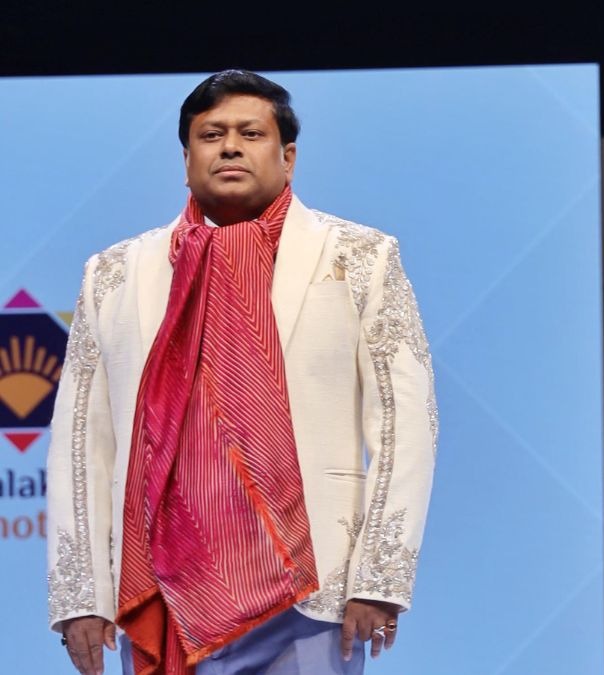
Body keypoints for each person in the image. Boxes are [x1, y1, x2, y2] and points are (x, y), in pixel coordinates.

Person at [45, 70, 436, 675]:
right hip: (162, 587)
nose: (230, 147)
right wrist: (81, 595)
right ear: (186, 160)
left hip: (309, 587)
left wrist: (379, 577)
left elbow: (404, 424)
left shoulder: (360, 256)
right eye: (211, 135)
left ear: (288, 157)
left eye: (251, 133)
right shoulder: (116, 272)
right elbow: (81, 441)